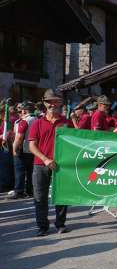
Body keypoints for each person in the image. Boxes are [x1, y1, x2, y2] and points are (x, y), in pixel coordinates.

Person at [28, 89, 73, 236]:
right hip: (41, 164)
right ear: (44, 103)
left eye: (55, 101)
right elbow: (32, 146)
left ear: (60, 103)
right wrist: (46, 159)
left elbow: (73, 144)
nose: (52, 104)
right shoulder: (37, 123)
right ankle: (42, 226)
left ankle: (60, 224)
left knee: (61, 195)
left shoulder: (66, 123)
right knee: (40, 197)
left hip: (61, 165)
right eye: (49, 102)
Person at [10, 102, 37, 199]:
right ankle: (30, 191)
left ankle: (19, 191)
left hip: (23, 149)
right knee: (30, 172)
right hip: (34, 150)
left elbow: (19, 137)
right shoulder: (37, 119)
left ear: (24, 110)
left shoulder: (24, 121)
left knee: (19, 171)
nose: (20, 112)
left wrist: (14, 149)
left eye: (21, 110)